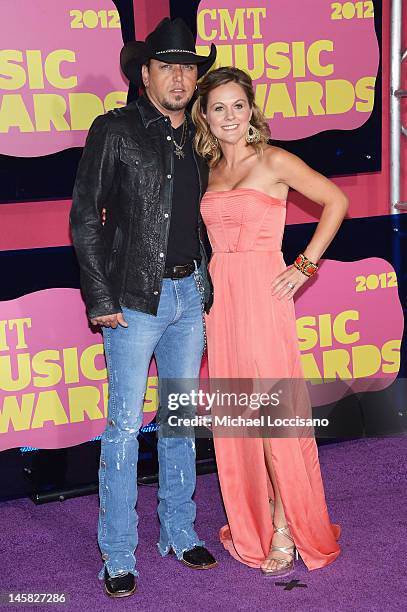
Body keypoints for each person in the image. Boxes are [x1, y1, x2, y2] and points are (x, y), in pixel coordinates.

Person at [70, 18, 218, 598]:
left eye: (189, 67)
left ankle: (179, 532)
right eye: (169, 66)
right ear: (146, 74)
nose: (180, 76)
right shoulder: (115, 130)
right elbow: (85, 217)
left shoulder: (203, 137)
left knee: (180, 421)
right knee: (126, 429)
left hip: (189, 297)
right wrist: (101, 298)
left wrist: (210, 291)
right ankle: (118, 552)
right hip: (133, 301)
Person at [192, 66, 347, 577]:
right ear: (206, 116)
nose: (230, 116)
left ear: (251, 109)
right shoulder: (205, 170)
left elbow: (336, 200)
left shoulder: (273, 159)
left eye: (238, 105)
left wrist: (305, 265)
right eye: (219, 108)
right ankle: (254, 523)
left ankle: (286, 527)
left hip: (264, 292)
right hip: (221, 300)